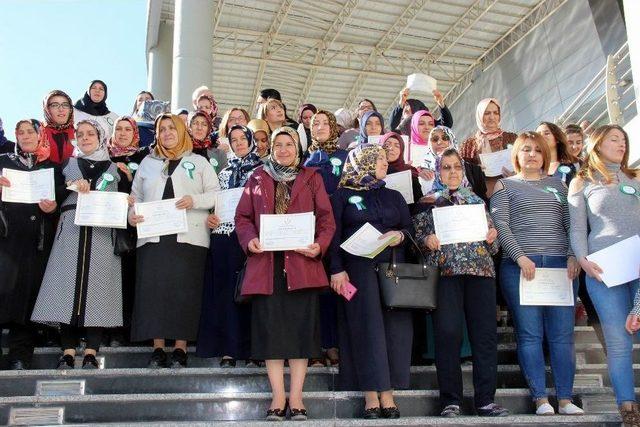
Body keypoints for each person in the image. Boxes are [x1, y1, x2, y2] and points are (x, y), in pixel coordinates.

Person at [235, 126, 336, 421]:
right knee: (271, 335)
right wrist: (248, 238)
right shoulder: (256, 177)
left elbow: (327, 220)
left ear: (298, 148)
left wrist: (319, 246)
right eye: (277, 144)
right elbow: (242, 218)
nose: (282, 150)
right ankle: (278, 397)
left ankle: (297, 397)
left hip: (302, 266)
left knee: (302, 335)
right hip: (266, 267)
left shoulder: (312, 178)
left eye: (288, 144)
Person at [490, 131, 583, 416]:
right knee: (529, 334)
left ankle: (565, 399)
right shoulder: (504, 187)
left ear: (545, 154)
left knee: (562, 335)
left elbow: (572, 225)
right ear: (516, 155)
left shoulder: (559, 185)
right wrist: (520, 257)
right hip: (521, 268)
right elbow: (501, 224)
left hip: (560, 268)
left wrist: (572, 255)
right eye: (525, 149)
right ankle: (541, 399)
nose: (532, 154)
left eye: (537, 150)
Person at [413, 148, 508, 418]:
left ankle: (485, 400)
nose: (452, 172)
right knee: (448, 335)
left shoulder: (476, 200)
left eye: (457, 167)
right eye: (446, 167)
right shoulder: (428, 202)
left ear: (463, 171)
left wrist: (492, 237)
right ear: (439, 171)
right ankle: (450, 400)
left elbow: (495, 246)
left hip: (481, 275)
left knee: (485, 338)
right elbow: (418, 241)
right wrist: (426, 241)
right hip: (446, 276)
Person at [31, 119, 127, 369]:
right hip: (71, 231)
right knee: (66, 289)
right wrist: (69, 186)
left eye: (90, 134)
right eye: (80, 134)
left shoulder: (116, 169)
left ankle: (92, 352)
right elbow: (51, 198)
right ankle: (68, 351)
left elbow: (126, 200)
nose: (84, 138)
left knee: (98, 290)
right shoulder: (66, 165)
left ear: (100, 137)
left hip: (103, 234)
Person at [329, 144, 414, 419]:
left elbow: (408, 228)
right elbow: (333, 235)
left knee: (394, 330)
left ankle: (388, 393)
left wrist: (399, 236)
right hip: (357, 272)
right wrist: (336, 270)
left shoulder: (394, 195)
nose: (384, 162)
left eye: (383, 158)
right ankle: (370, 396)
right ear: (362, 162)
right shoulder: (342, 195)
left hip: (392, 268)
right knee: (365, 329)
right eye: (377, 159)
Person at [129, 113, 220, 369]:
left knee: (184, 292)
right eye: (162, 129)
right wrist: (131, 216)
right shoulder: (147, 162)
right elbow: (134, 198)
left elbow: (215, 194)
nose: (167, 133)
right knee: (154, 292)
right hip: (153, 237)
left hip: (189, 238)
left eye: (172, 128)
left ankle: (180, 348)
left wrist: (195, 200)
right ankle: (158, 348)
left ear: (182, 131)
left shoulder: (199, 162)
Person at [568, 125, 640, 426]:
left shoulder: (635, 178)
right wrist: (583, 260)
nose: (621, 144)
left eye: (624, 140)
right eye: (615, 139)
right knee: (618, 340)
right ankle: (628, 406)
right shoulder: (581, 181)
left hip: (638, 265)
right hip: (603, 270)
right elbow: (576, 227)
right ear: (597, 144)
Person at [0, 119, 64, 369]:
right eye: (20, 132)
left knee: (26, 300)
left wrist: (52, 207)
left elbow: (61, 200)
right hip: (6, 241)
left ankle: (19, 356)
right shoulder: (4, 161)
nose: (25, 136)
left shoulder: (52, 167)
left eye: (30, 132)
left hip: (36, 244)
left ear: (40, 135)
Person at [197, 125, 262, 367]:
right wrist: (211, 217)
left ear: (250, 139)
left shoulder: (264, 170)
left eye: (243, 138)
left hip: (253, 237)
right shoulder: (223, 173)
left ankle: (254, 349)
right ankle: (229, 349)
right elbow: (215, 203)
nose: (239, 143)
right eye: (233, 140)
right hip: (224, 236)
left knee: (252, 294)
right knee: (226, 293)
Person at [303, 110, 348, 367]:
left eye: (324, 123)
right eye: (314, 123)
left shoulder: (345, 157)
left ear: (334, 127)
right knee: (317, 290)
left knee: (340, 290)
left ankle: (337, 344)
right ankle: (318, 346)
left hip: (341, 231)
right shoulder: (307, 162)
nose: (319, 127)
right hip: (313, 233)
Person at [108, 116, 149, 346]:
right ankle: (112, 330)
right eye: (118, 129)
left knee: (133, 279)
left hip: (136, 226)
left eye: (127, 129)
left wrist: (131, 179)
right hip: (110, 228)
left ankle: (131, 331)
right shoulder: (104, 157)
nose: (122, 133)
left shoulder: (143, 158)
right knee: (113, 280)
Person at [459, 98, 518, 197]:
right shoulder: (469, 145)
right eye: (487, 113)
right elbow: (462, 171)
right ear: (479, 116)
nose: (492, 117)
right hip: (485, 196)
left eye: (495, 113)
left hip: (513, 190)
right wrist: (476, 170)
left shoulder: (512, 138)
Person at [418, 126, 487, 202]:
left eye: (445, 138)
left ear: (452, 140)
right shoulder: (422, 171)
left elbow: (482, 199)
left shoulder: (473, 170)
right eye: (434, 139)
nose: (440, 142)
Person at [379, 131, 423, 207]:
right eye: (387, 144)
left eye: (397, 146)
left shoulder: (409, 172)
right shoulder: (372, 172)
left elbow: (418, 200)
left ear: (401, 151)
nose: (391, 148)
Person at [389, 88, 453, 135]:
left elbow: (446, 125)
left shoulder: (429, 128)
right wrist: (401, 103)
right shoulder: (401, 133)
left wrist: (441, 103)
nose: (405, 116)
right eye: (405, 111)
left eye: (408, 112)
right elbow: (393, 125)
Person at [42, 90, 75, 165]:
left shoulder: (80, 132)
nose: (61, 109)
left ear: (70, 109)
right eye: (55, 105)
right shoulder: (38, 132)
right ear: (47, 109)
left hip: (76, 175)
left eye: (65, 105)